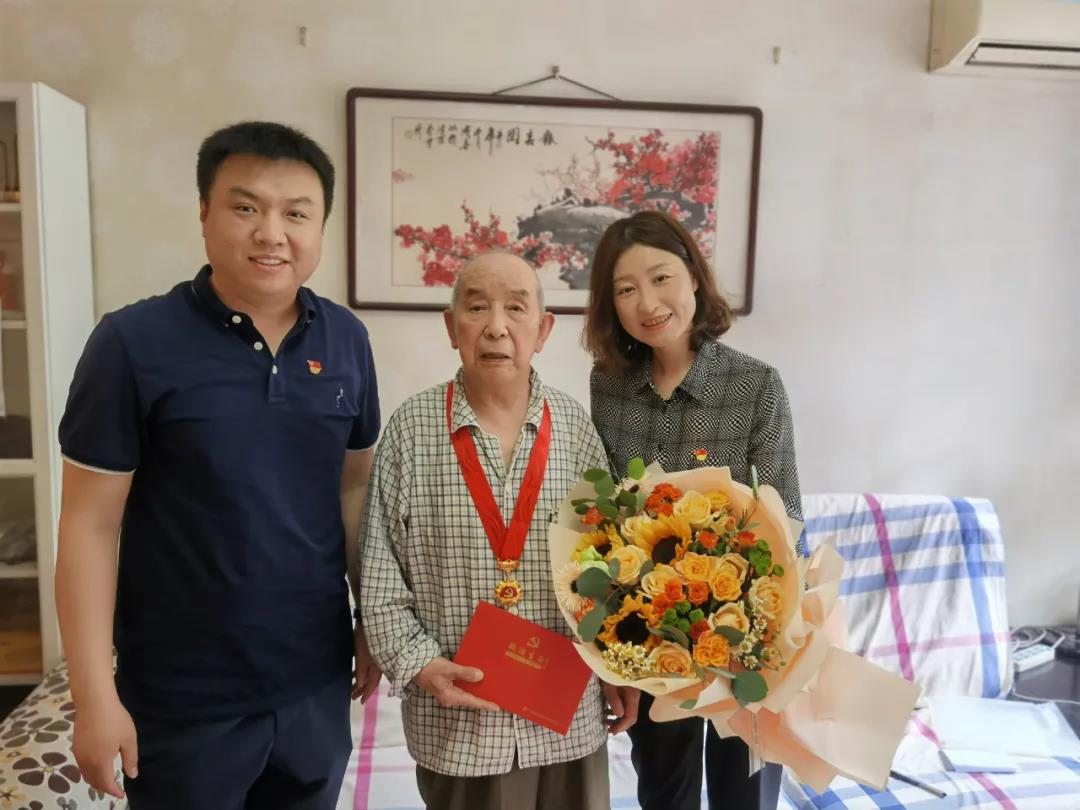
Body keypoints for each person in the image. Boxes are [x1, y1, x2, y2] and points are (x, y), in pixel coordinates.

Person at [55, 121, 382, 809]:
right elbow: (89, 527)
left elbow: (353, 490)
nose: (272, 233)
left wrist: (370, 619)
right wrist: (93, 697)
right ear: (204, 213)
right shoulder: (132, 343)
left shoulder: (347, 340)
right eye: (246, 207)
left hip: (314, 684)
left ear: (322, 226)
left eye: (297, 213)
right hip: (182, 698)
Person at [359, 251, 637, 810]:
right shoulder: (411, 431)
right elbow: (379, 576)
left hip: (567, 719)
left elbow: (614, 567)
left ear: (544, 329)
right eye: (477, 307)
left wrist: (617, 663)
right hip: (458, 723)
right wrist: (419, 665)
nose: (496, 326)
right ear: (451, 326)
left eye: (516, 308)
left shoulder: (576, 429)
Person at [583, 210, 803, 810]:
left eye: (661, 278)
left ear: (694, 278)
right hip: (655, 633)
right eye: (626, 290)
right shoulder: (608, 386)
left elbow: (787, 521)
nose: (648, 303)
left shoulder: (755, 385)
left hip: (745, 631)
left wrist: (775, 632)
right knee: (664, 790)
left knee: (744, 793)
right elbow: (608, 519)